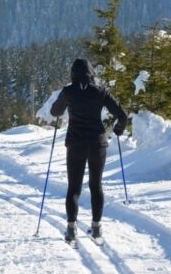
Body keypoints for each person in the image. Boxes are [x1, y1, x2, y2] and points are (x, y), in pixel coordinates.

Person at [50, 57, 127, 242]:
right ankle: (96, 227)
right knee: (96, 185)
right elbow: (122, 114)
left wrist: (63, 105)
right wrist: (118, 129)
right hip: (97, 143)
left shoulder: (68, 91)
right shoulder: (100, 91)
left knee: (74, 188)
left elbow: (55, 112)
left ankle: (71, 228)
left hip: (76, 143)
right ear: (91, 73)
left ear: (73, 74)